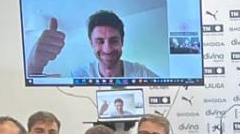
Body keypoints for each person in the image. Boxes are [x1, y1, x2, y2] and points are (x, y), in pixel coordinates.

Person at [25, 10, 162, 81]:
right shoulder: (79, 75)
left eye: (113, 41)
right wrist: (34, 66)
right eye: (100, 41)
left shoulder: (140, 73)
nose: (107, 49)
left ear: (122, 42)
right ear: (91, 43)